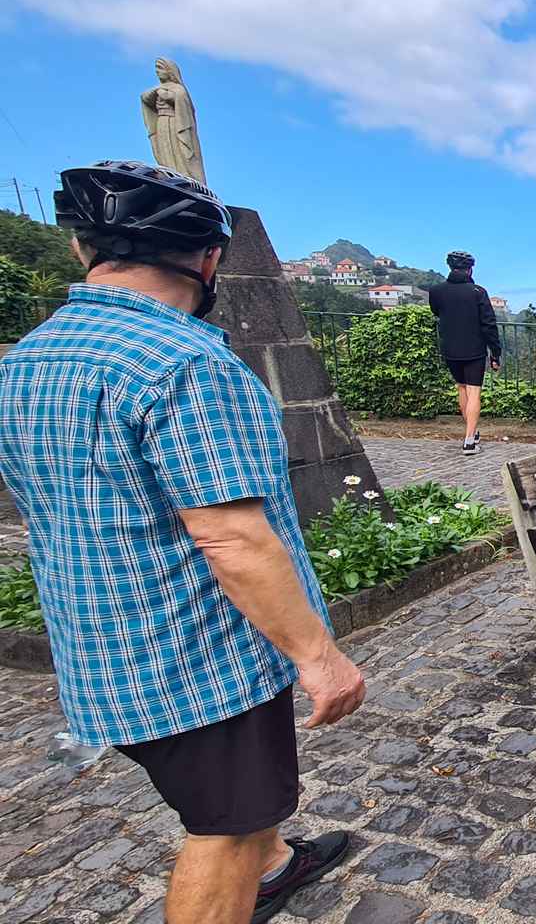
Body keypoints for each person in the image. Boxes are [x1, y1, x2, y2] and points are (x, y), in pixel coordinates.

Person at [0, 161, 365, 924]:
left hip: (97, 647)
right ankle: (248, 863)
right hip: (195, 660)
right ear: (208, 260)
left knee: (230, 806)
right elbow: (231, 537)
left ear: (81, 251)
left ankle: (274, 863)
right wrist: (319, 657)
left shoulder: (25, 360)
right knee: (223, 830)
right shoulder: (187, 362)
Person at [428, 250, 502, 455]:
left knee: (461, 389)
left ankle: (472, 432)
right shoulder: (478, 292)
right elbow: (489, 325)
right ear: (469, 270)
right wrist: (495, 353)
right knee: (474, 392)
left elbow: (437, 312)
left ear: (450, 268)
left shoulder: (436, 291)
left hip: (450, 348)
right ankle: (469, 441)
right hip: (474, 349)